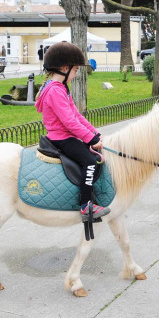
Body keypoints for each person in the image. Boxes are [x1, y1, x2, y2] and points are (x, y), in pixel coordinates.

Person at [34, 42, 110, 221]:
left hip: (67, 136)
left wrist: (94, 134)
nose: (76, 75)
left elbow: (76, 115)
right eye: (75, 70)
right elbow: (68, 122)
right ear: (64, 68)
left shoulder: (60, 88)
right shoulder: (54, 91)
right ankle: (86, 206)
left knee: (94, 155)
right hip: (62, 138)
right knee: (90, 162)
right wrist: (90, 139)